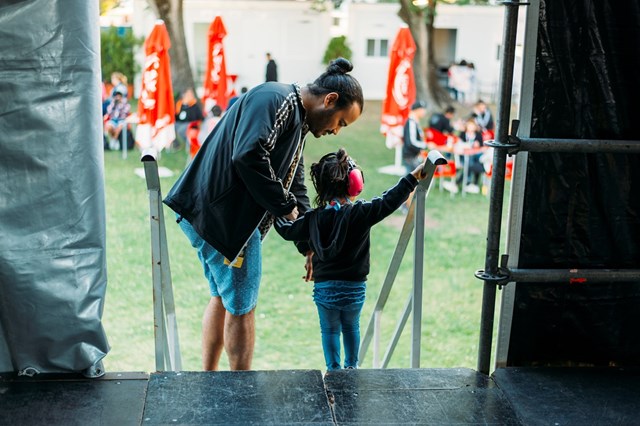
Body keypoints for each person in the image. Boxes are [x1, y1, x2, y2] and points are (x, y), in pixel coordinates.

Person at [163, 58, 364, 371]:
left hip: (213, 216)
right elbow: (249, 154)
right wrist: (284, 205)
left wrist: (307, 242)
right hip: (225, 221)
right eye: (341, 122)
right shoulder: (277, 99)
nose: (336, 131)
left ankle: (208, 381)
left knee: (223, 298)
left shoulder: (297, 121)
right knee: (242, 308)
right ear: (330, 100)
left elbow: (294, 184)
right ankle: (240, 395)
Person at [274, 148, 427, 371]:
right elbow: (388, 201)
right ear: (354, 182)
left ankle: (333, 370)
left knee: (329, 331)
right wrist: (412, 177)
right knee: (351, 327)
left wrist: (273, 208)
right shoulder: (362, 213)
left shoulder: (313, 219)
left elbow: (288, 230)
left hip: (324, 289)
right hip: (355, 289)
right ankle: (351, 368)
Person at [455, 118, 486, 194]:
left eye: (473, 126)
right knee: (473, 162)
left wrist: (477, 146)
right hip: (464, 156)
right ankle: (471, 184)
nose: (471, 127)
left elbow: (482, 147)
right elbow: (459, 145)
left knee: (475, 161)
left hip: (476, 156)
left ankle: (458, 183)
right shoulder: (462, 134)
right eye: (469, 126)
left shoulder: (478, 135)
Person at [402, 100, 428, 172]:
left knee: (412, 181)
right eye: (422, 109)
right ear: (416, 110)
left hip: (413, 156)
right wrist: (425, 145)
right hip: (410, 157)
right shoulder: (411, 122)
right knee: (410, 181)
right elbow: (411, 142)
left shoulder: (414, 122)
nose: (424, 111)